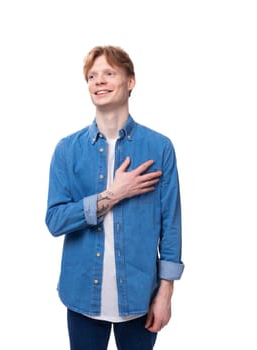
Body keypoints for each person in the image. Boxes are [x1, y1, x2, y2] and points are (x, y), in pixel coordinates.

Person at [45, 45, 184, 350]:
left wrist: (166, 292)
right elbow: (55, 221)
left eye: (109, 73)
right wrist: (114, 193)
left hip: (140, 297)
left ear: (130, 81)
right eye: (92, 76)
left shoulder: (159, 148)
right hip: (81, 296)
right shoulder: (67, 150)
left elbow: (170, 226)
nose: (99, 81)